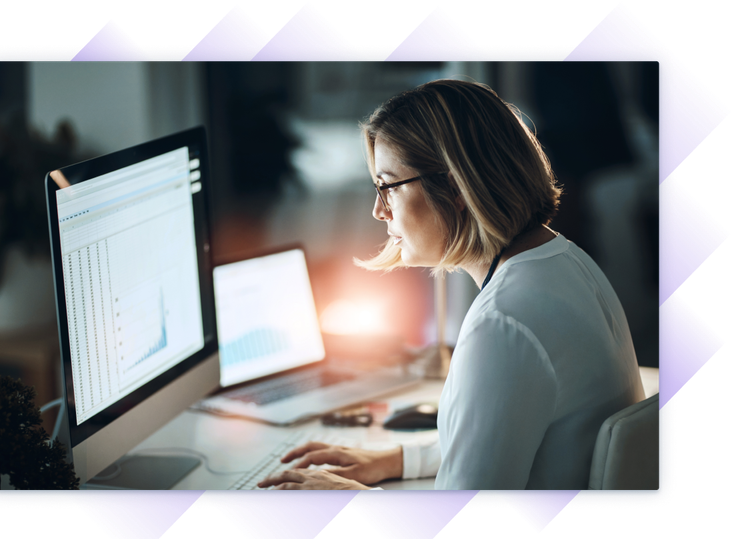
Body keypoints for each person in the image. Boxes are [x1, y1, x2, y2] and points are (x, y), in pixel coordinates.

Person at [257, 79, 645, 490]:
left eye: (388, 186)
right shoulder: (564, 261)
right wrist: (397, 459)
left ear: (455, 187)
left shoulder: (502, 322)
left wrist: (344, 495)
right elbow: (511, 433)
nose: (378, 210)